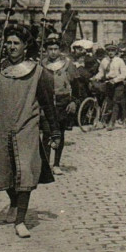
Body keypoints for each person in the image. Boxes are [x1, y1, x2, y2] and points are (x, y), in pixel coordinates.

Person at [0, 24, 60, 238]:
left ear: (25, 46)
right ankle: (13, 203)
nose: (11, 47)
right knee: (3, 170)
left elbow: (48, 104)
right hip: (0, 127)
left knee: (25, 171)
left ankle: (21, 220)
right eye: (9, 43)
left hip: (26, 128)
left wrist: (55, 131)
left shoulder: (39, 72)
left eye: (16, 43)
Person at [41, 34, 76, 175]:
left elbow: (76, 85)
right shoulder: (41, 65)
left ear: (59, 50)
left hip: (62, 103)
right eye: (50, 49)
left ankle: (56, 164)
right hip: (47, 103)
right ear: (46, 50)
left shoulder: (67, 64)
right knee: (47, 133)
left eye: (56, 49)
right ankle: (45, 165)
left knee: (59, 133)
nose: (53, 52)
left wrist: (74, 101)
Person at [94, 44, 126, 130]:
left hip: (118, 83)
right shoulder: (104, 61)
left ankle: (112, 122)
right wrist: (96, 77)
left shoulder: (119, 61)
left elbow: (124, 74)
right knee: (108, 101)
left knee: (116, 101)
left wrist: (115, 80)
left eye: (112, 51)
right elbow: (101, 72)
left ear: (116, 51)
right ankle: (105, 120)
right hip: (108, 82)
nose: (110, 53)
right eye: (109, 51)